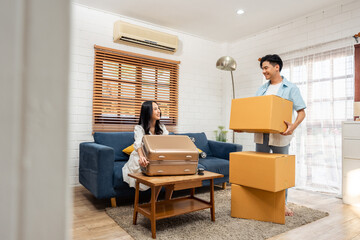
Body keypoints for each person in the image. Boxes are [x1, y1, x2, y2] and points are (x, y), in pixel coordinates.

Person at [255, 54, 306, 216]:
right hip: (261, 135)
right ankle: (262, 200)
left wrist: (293, 126)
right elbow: (255, 111)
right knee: (261, 169)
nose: (264, 72)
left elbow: (301, 113)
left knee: (281, 171)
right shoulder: (262, 88)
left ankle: (282, 204)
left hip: (281, 135)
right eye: (262, 69)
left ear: (277, 67)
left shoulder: (290, 88)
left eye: (266, 68)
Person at [122, 101, 169, 191]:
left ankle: (155, 202)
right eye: (155, 109)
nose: (159, 111)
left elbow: (166, 143)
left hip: (157, 156)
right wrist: (141, 157)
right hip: (142, 155)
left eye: (158, 108)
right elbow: (138, 144)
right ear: (147, 111)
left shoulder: (162, 128)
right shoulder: (139, 128)